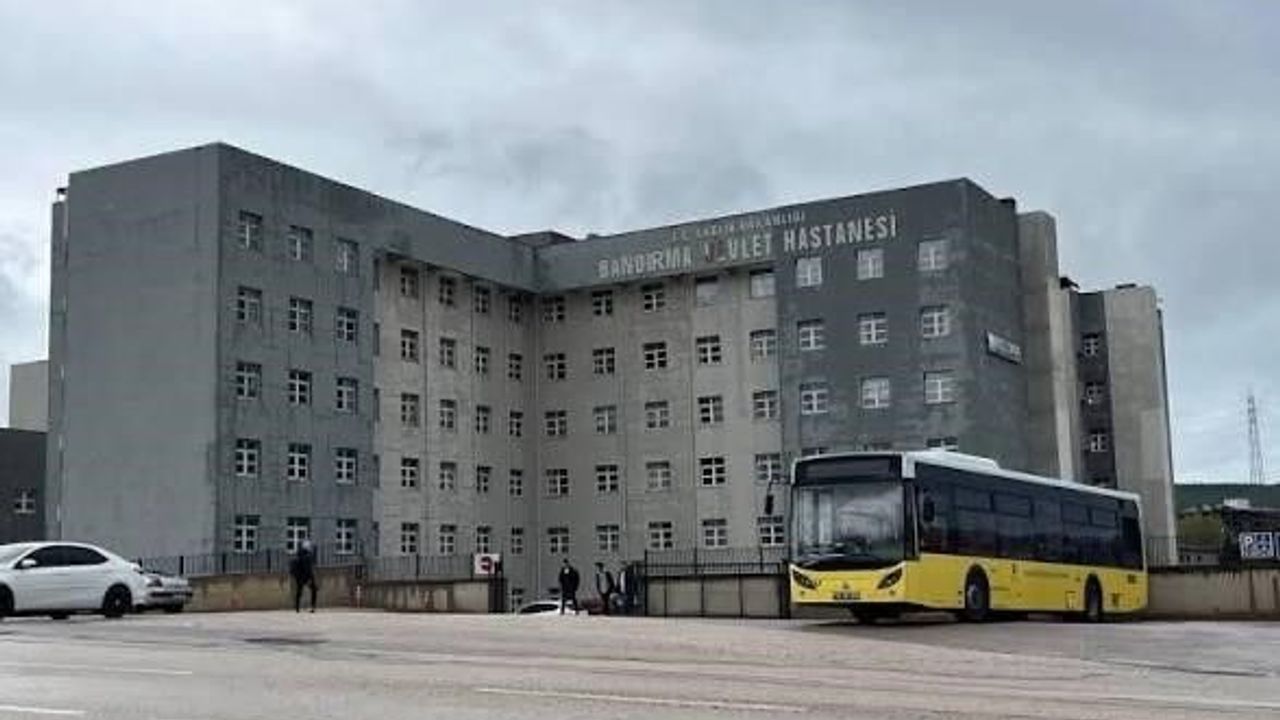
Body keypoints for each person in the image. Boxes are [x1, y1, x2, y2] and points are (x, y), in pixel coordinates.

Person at [290, 540, 318, 613]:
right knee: (314, 589)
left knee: (299, 591)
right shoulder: (308, 556)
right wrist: (309, 578)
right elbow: (308, 569)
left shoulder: (298, 555)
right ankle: (312, 607)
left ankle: (297, 607)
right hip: (306, 576)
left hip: (299, 577)